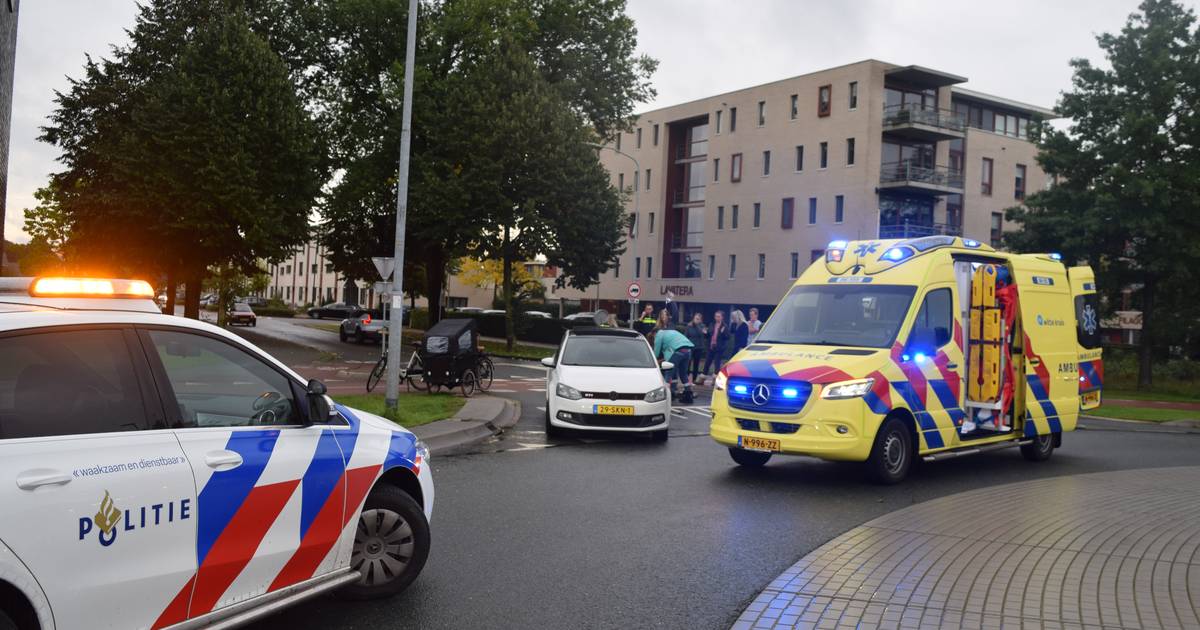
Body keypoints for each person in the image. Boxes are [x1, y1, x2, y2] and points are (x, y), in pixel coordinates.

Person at [649, 324, 694, 399]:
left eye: (653, 336)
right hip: (688, 350)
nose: (654, 338)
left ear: (654, 333)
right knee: (683, 373)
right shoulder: (671, 332)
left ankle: (666, 395)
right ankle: (688, 394)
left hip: (678, 351)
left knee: (668, 372)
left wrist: (653, 359)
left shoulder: (659, 334)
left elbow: (656, 351)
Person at [702, 310, 730, 377]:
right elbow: (708, 335)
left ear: (722, 317)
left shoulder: (724, 326)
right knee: (707, 361)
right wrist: (705, 333)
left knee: (717, 362)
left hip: (719, 347)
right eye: (716, 316)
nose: (716, 318)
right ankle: (703, 376)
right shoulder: (712, 324)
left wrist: (723, 333)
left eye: (718, 316)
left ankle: (716, 377)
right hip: (711, 346)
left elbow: (728, 337)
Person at [684, 312, 708, 386]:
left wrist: (703, 331)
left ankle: (694, 379)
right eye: (695, 318)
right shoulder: (689, 326)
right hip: (690, 347)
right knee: (688, 363)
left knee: (696, 364)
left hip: (699, 347)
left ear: (700, 320)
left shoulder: (702, 326)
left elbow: (705, 335)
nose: (696, 320)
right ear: (693, 318)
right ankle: (686, 379)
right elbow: (686, 336)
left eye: (698, 319)